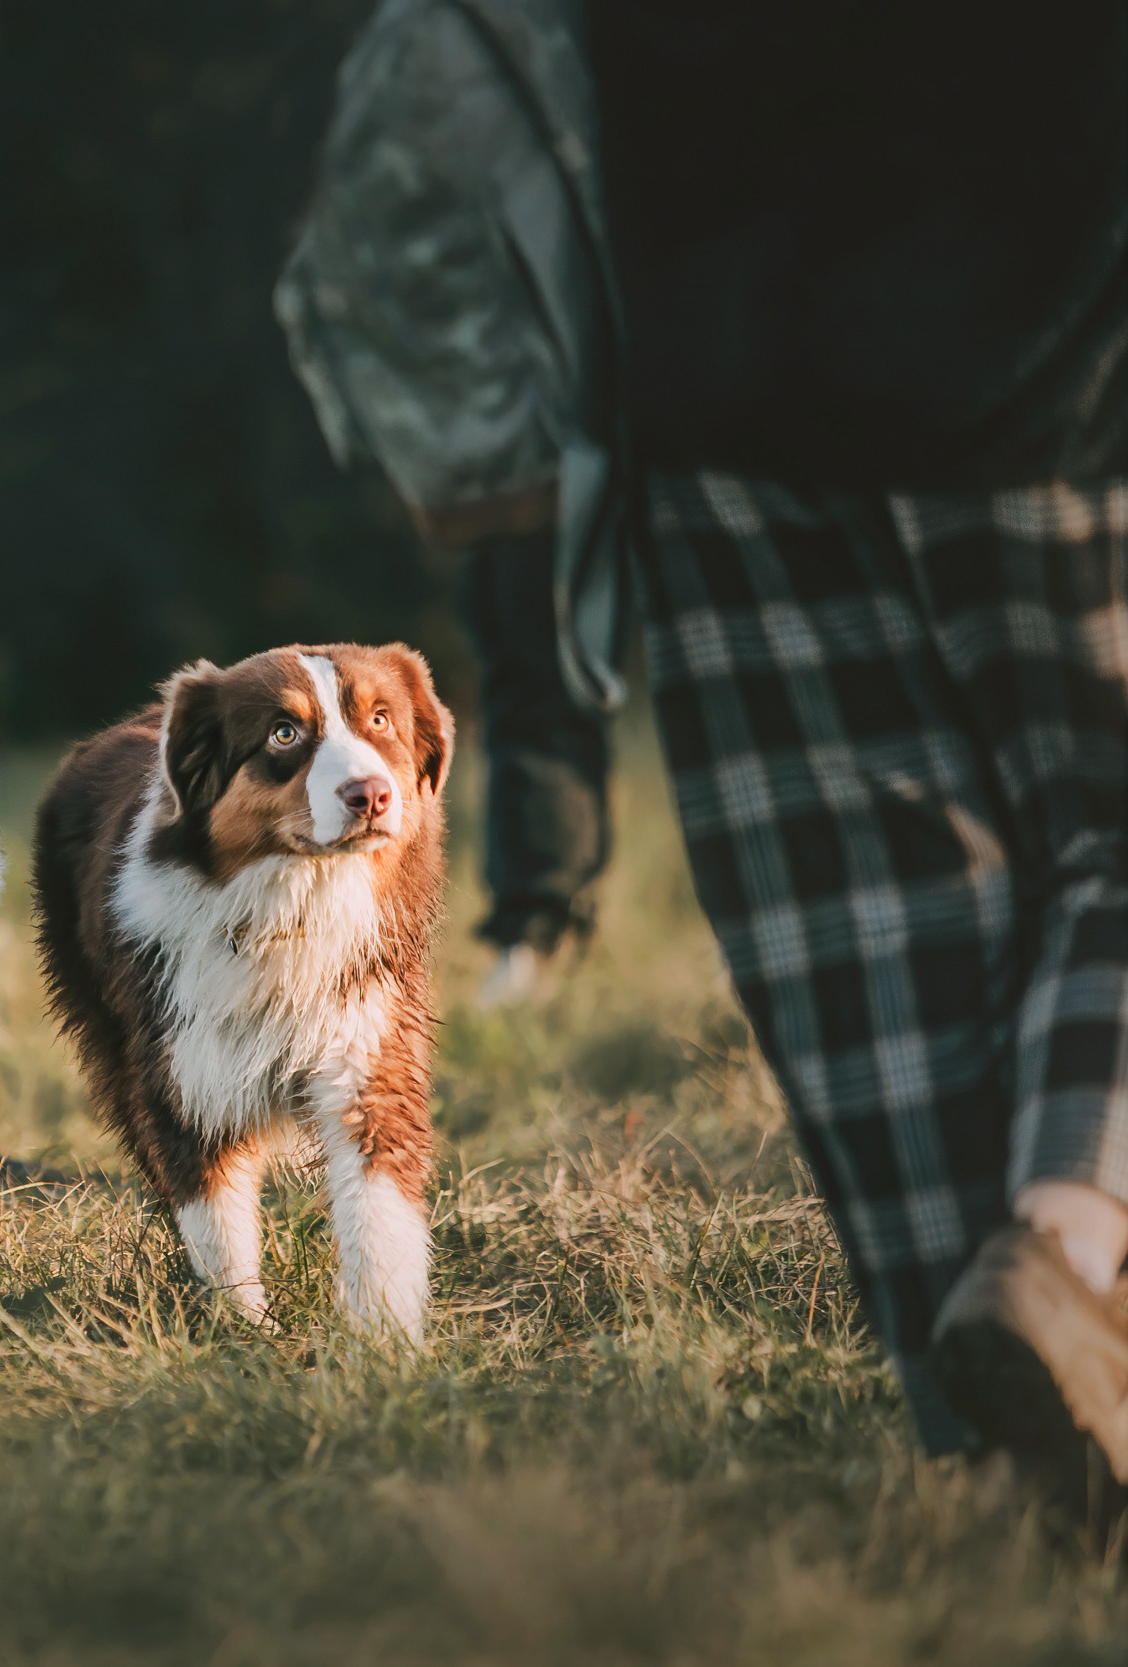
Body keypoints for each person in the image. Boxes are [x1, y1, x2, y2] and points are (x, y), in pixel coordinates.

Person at [584, 0, 1128, 1507]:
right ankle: (1068, 1255)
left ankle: (1015, 1467)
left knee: (876, 925)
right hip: (1057, 325)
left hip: (707, 359)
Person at [275, 0, 621, 1009]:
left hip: (542, 401)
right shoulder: (436, 35)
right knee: (535, 662)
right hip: (531, 405)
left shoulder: (434, 34)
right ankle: (536, 926)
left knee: (534, 665)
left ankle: (538, 927)